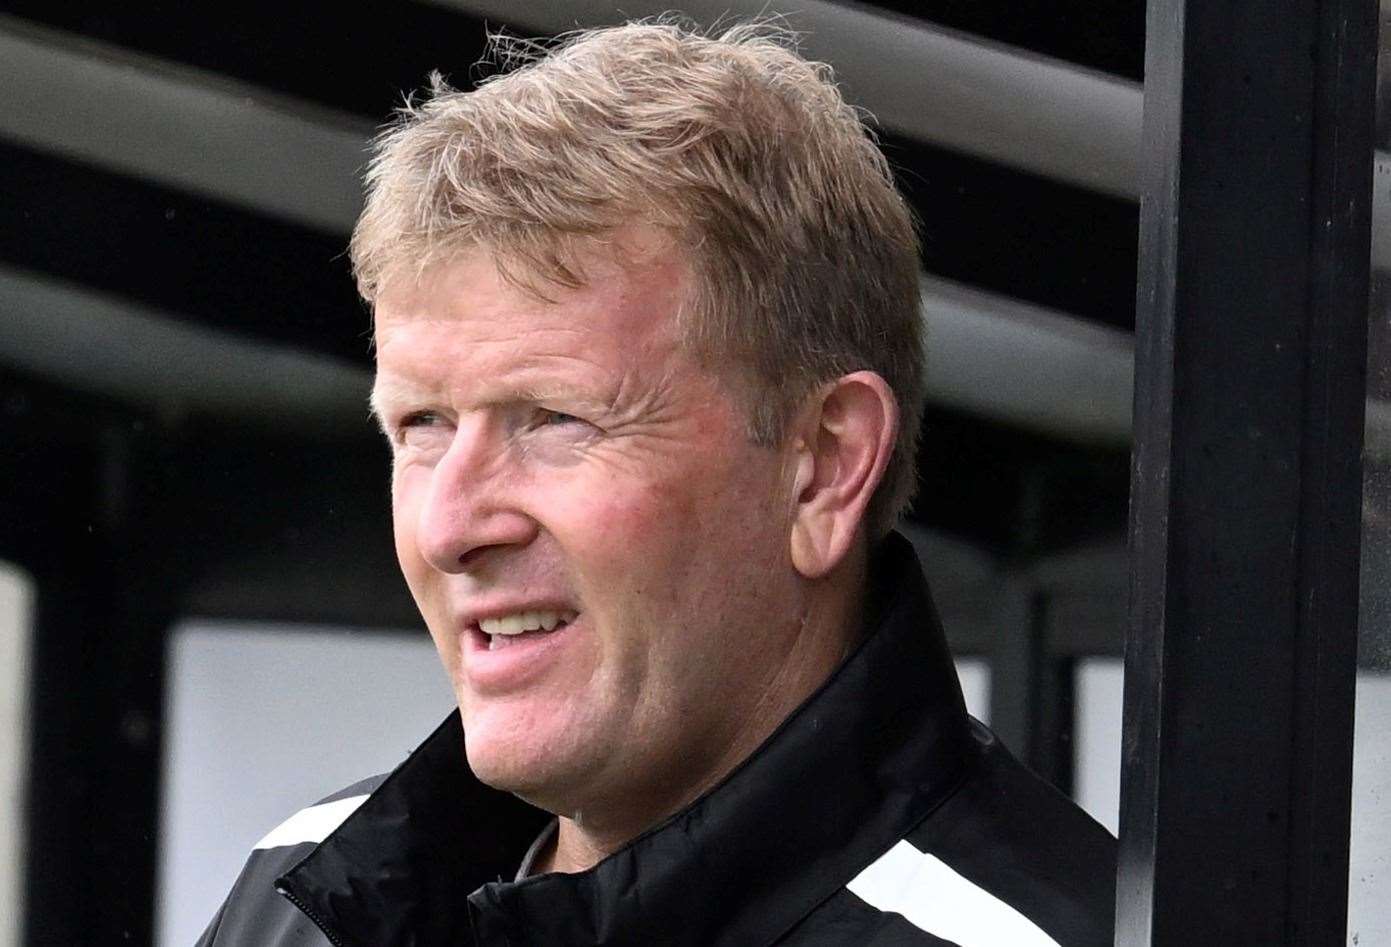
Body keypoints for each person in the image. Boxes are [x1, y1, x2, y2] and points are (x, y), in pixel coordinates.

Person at [198, 19, 1115, 946]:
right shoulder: (295, 898)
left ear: (824, 469)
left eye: (554, 418)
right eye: (421, 425)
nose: (448, 527)